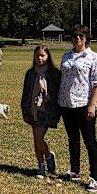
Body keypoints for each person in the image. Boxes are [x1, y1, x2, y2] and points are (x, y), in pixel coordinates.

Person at [58, 25, 97, 192]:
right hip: (66, 104)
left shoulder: (94, 57)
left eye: (81, 36)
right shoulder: (66, 56)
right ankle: (75, 170)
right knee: (73, 139)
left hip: (84, 104)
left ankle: (94, 178)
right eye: (75, 36)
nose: (78, 38)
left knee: (90, 141)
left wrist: (92, 105)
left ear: (86, 38)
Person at [21, 45, 61, 179]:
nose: (39, 58)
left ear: (48, 57)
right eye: (37, 55)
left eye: (42, 55)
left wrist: (57, 112)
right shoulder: (30, 73)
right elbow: (25, 93)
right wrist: (25, 111)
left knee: (39, 138)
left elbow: (57, 94)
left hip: (47, 110)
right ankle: (41, 166)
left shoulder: (54, 73)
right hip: (33, 109)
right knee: (36, 139)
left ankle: (49, 157)